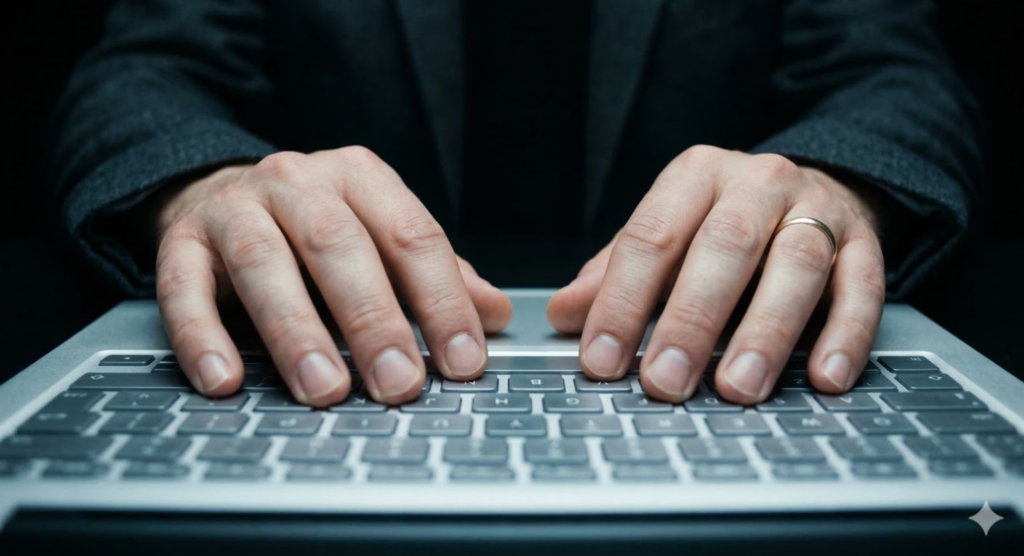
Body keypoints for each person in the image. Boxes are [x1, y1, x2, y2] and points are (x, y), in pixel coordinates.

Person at [48, 0, 981, 408]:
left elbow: (892, 70)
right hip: (331, 347)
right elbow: (146, 69)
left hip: (706, 345)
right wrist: (207, 186)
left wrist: (826, 186)